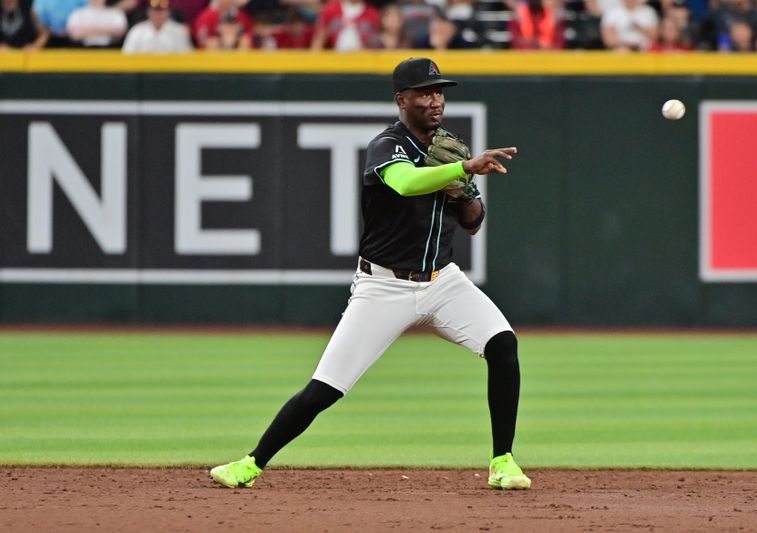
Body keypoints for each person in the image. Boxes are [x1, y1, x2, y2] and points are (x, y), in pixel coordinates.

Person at [210, 57, 531, 492]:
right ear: (402, 100)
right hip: (383, 285)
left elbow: (472, 222)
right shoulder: (386, 145)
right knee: (325, 389)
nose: (435, 100)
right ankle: (250, 463)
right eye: (424, 92)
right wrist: (462, 169)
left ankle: (502, 461)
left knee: (503, 344)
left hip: (442, 281)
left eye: (439, 91)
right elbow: (403, 183)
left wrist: (467, 188)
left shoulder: (448, 145)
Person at [122, 0, 193, 53]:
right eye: (155, 11)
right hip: (142, 72)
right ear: (149, 12)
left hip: (171, 71)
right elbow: (127, 58)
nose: (158, 14)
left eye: (161, 11)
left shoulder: (178, 31)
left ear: (168, 12)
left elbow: (186, 59)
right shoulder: (137, 31)